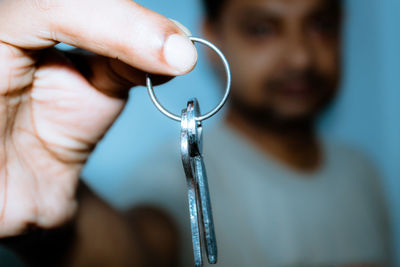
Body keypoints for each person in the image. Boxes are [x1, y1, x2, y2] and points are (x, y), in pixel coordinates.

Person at [116, 0, 393, 266]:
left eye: (321, 25)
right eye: (261, 29)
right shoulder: (167, 176)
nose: (301, 58)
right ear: (212, 39)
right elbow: (132, 246)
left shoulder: (361, 169)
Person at [0, 0, 197, 266]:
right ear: (214, 30)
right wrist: (44, 220)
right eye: (259, 30)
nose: (276, 55)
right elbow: (149, 252)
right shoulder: (163, 174)